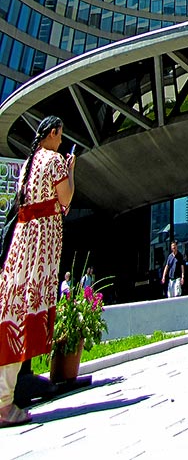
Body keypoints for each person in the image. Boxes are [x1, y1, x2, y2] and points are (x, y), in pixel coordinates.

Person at [0, 115, 75, 427]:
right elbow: (66, 199)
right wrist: (71, 170)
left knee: (11, 315)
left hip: (21, 246)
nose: (60, 141)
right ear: (54, 133)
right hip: (38, 252)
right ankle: (5, 405)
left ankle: (7, 397)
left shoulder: (28, 164)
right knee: (24, 317)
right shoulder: (55, 160)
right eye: (60, 136)